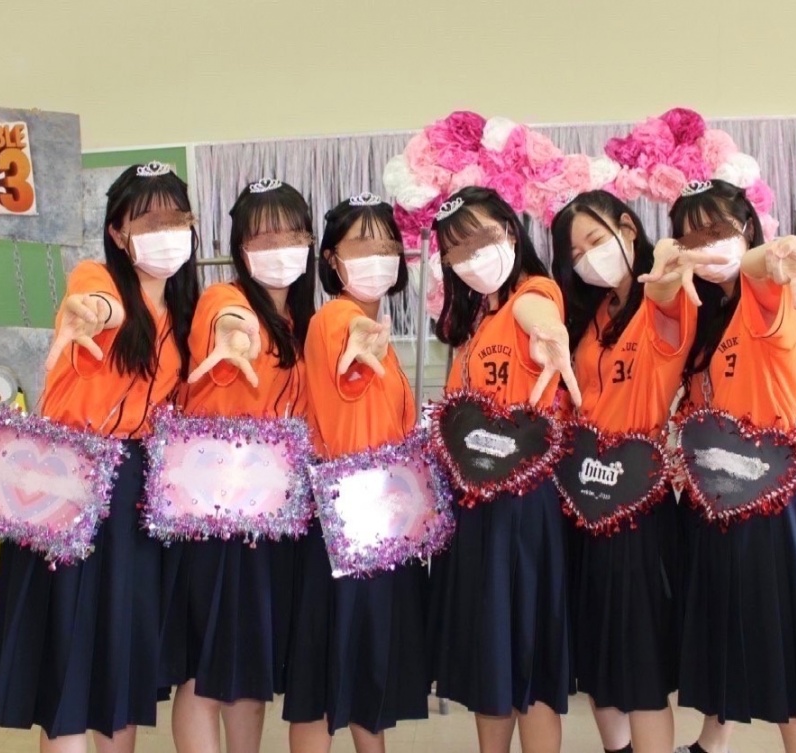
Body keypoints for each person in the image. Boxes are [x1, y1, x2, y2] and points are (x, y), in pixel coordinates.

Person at [0, 161, 200, 753]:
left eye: (176, 217)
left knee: (119, 665)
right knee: (69, 669)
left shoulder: (182, 315)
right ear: (117, 233)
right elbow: (97, 303)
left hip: (134, 496)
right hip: (70, 485)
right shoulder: (96, 278)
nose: (165, 231)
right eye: (147, 220)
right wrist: (96, 313)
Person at [667, 179, 796, 753]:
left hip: (771, 505)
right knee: (726, 638)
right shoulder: (709, 315)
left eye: (718, 230)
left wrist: (771, 251)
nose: (706, 246)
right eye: (691, 238)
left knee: (787, 678)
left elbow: (764, 263)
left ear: (748, 228)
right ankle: (710, 744)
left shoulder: (768, 292)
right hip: (717, 502)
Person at [550, 189, 719, 753]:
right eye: (576, 253)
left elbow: (668, 293)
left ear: (627, 227)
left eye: (595, 240)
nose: (588, 259)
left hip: (638, 503)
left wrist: (666, 269)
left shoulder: (663, 302)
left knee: (641, 667)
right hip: (583, 502)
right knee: (598, 658)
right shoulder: (594, 315)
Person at [161, 178, 315, 753]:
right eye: (263, 236)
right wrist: (234, 333)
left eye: (291, 233)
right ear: (240, 246)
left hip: (274, 519)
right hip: (217, 519)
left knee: (249, 665)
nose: (280, 247)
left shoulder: (300, 322)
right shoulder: (222, 300)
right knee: (205, 668)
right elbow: (227, 322)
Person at [428, 186, 580, 753]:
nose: (472, 257)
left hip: (523, 506)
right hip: (476, 510)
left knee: (529, 663)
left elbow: (539, 314)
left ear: (511, 233)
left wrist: (550, 335)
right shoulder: (474, 324)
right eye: (457, 249)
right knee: (490, 663)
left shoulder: (530, 293)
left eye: (482, 239)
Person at [283, 192, 429, 753]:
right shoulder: (338, 318)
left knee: (366, 667)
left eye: (387, 245)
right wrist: (356, 348)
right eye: (361, 245)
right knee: (324, 676)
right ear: (331, 259)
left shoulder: (374, 328)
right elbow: (347, 347)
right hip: (343, 524)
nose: (378, 257)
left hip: (380, 519)